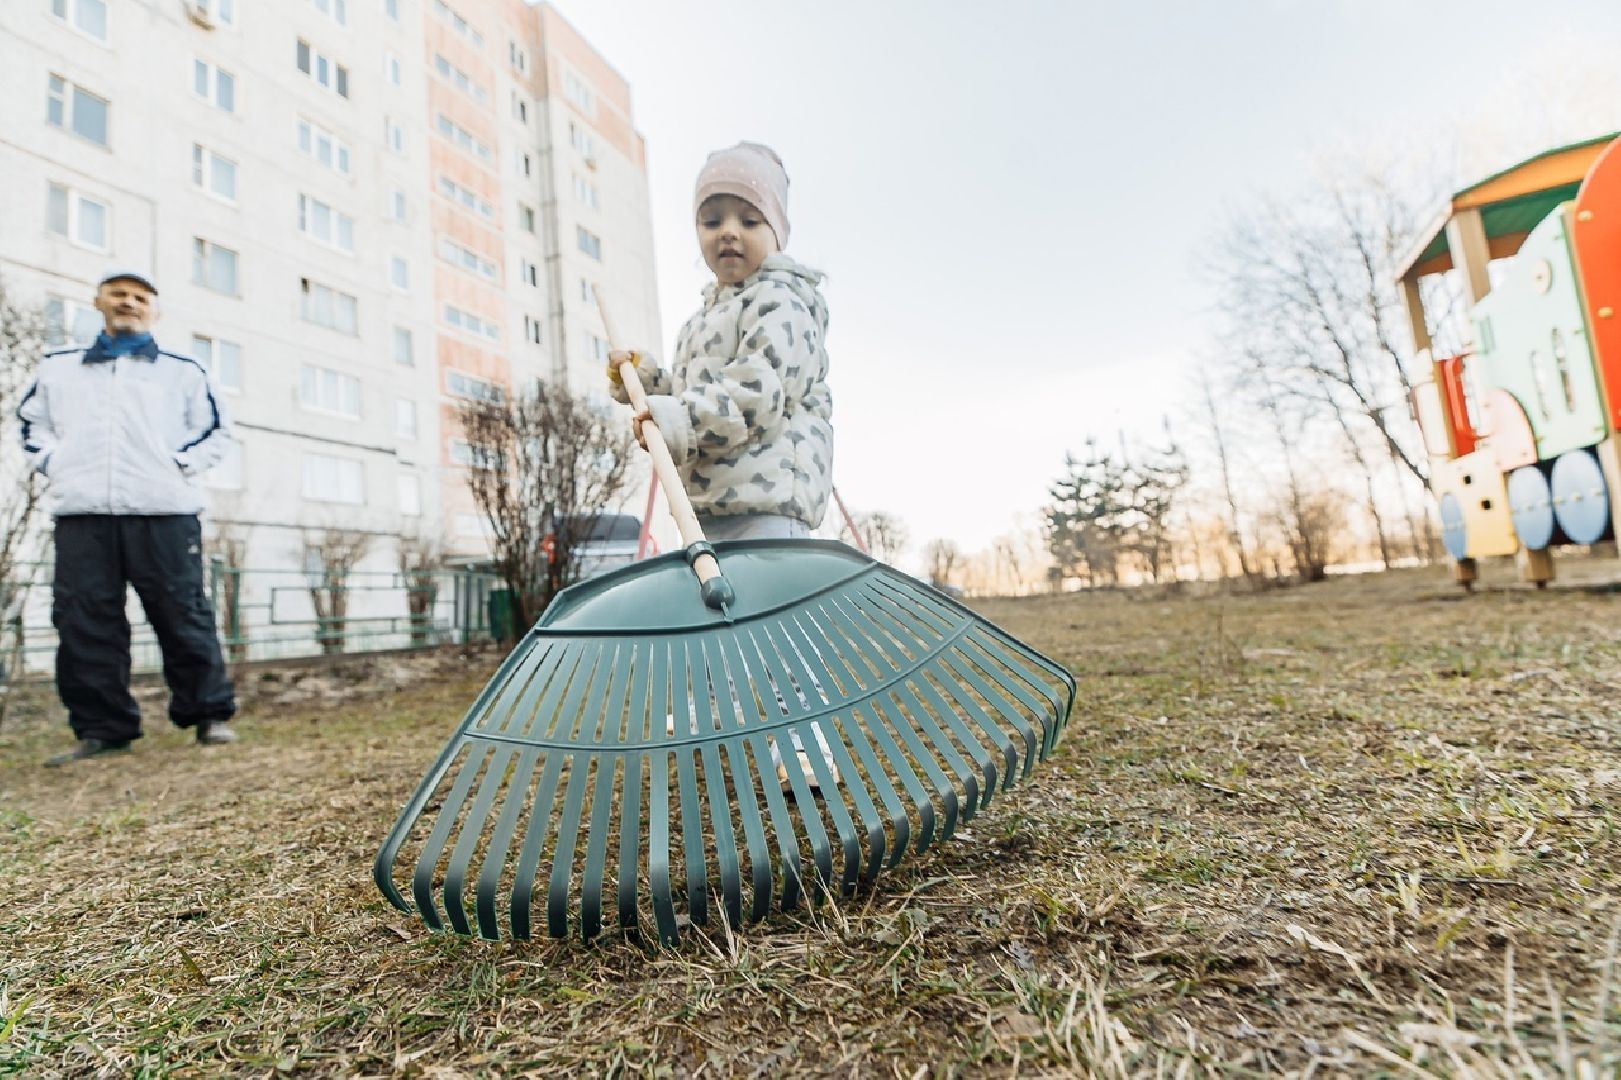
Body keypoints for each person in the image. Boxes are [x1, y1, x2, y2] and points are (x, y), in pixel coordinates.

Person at [606, 141, 839, 787]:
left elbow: (756, 391)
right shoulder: (700, 317)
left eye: (747, 218)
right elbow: (687, 391)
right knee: (708, 616)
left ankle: (801, 746)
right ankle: (722, 717)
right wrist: (646, 382)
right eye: (712, 219)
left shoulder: (785, 302)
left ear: (777, 231)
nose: (728, 232)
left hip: (769, 499)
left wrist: (676, 417)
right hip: (709, 501)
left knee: (775, 630)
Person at [17, 270, 239, 766]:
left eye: (141, 297)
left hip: (165, 512)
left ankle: (209, 716)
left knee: (183, 613)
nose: (129, 302)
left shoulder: (183, 370)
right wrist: (57, 464)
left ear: (154, 311)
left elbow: (217, 433)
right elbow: (31, 424)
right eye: (119, 294)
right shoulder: (59, 367)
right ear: (98, 302)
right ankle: (103, 729)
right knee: (85, 620)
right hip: (82, 514)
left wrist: (176, 466)